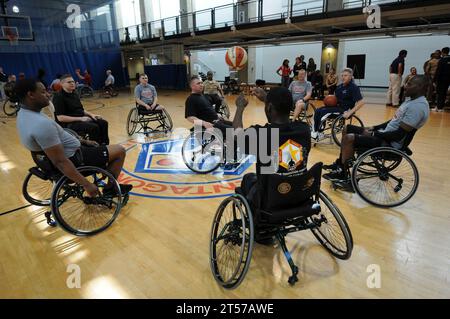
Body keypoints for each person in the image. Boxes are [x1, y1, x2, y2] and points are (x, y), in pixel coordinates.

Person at [15, 79, 132, 197]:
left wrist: (83, 141)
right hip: (77, 159)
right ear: (31, 95)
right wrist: (87, 184)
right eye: (43, 92)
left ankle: (106, 168)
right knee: (119, 150)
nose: (48, 94)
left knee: (100, 133)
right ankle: (111, 188)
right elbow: (60, 161)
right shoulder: (41, 124)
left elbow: (58, 137)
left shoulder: (24, 114)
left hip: (60, 156)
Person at [233, 87, 311, 244]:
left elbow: (237, 137)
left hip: (271, 199)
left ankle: (261, 229)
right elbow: (280, 110)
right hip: (300, 192)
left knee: (248, 179)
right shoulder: (304, 129)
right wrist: (268, 100)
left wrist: (240, 108)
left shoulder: (262, 134)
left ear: (268, 108)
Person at [323, 75, 430, 189]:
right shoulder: (411, 101)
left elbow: (398, 135)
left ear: (420, 87)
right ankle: (340, 165)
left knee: (349, 138)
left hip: (390, 143)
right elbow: (393, 121)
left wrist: (375, 134)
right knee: (347, 128)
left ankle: (346, 178)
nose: (405, 86)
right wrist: (374, 127)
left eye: (409, 84)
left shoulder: (418, 107)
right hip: (385, 135)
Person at [53, 74, 109, 145]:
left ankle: (104, 145)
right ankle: (94, 148)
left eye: (73, 81)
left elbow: (81, 110)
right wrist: (81, 119)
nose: (72, 83)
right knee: (94, 127)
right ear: (62, 84)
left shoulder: (75, 94)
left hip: (80, 118)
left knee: (103, 123)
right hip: (69, 124)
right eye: (69, 82)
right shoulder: (58, 97)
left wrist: (92, 115)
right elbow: (60, 118)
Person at [311, 68, 365, 140]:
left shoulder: (353, 87)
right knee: (318, 110)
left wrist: (350, 112)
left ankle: (320, 133)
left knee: (323, 113)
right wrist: (329, 102)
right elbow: (334, 99)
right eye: (342, 75)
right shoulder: (339, 87)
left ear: (351, 76)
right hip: (336, 107)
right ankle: (315, 131)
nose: (343, 77)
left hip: (345, 110)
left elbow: (361, 102)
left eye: (345, 75)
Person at [434, 47, 450, 112]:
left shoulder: (442, 60)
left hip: (442, 79)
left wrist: (435, 80)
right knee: (444, 92)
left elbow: (438, 71)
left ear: (442, 52)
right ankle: (441, 107)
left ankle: (439, 107)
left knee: (440, 93)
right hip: (448, 79)